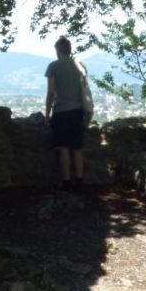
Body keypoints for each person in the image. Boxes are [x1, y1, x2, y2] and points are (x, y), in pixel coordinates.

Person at [44, 36, 87, 191]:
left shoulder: (53, 67)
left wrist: (47, 114)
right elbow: (84, 91)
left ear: (57, 50)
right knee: (77, 148)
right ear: (69, 49)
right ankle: (80, 181)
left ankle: (67, 181)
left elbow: (51, 92)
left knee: (63, 148)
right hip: (77, 111)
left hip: (61, 112)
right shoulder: (80, 66)